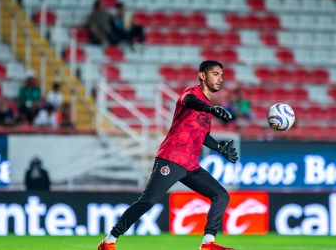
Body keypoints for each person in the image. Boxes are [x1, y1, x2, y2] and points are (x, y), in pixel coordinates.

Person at [98, 60, 238, 250]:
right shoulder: (192, 94)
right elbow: (189, 102)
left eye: (222, 75)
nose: (220, 79)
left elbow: (203, 135)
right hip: (172, 158)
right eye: (215, 74)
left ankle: (208, 244)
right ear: (202, 76)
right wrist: (210, 109)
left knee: (221, 195)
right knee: (148, 200)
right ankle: (109, 240)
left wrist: (220, 148)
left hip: (190, 164)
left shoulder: (208, 105)